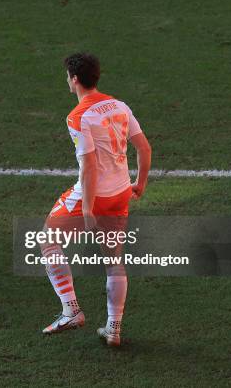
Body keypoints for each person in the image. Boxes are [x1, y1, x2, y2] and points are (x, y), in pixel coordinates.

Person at [40, 53, 151, 346]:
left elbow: (88, 166)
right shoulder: (120, 105)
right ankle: (113, 329)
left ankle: (71, 310)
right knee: (114, 261)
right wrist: (139, 183)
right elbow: (144, 147)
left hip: (95, 195)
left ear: (75, 79)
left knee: (48, 240)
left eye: (67, 76)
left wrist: (87, 207)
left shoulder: (78, 116)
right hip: (120, 193)